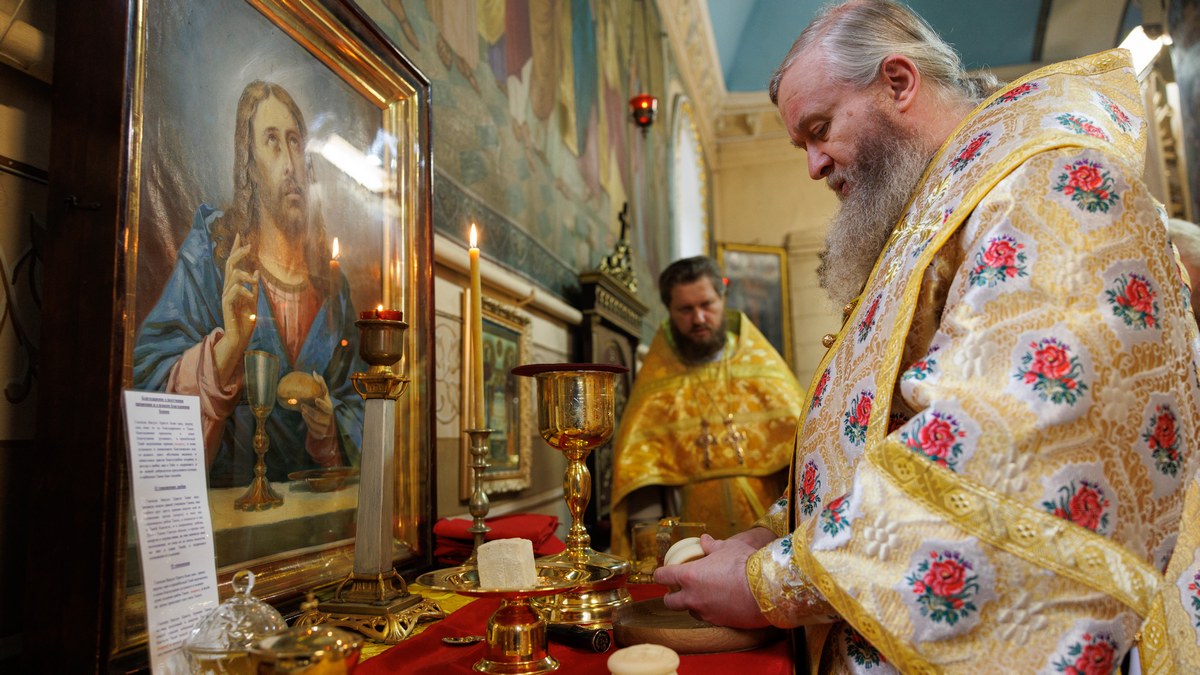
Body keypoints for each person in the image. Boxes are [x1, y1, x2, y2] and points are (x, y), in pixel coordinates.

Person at [653, 1, 1200, 671]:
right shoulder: (944, 206)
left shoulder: (1045, 185)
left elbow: (999, 455)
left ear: (899, 82)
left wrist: (770, 578)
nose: (814, 166)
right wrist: (780, 523)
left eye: (819, 129)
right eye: (803, 145)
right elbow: (887, 420)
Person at [133, 80, 366, 488]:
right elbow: (150, 381)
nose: (290, 163)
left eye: (295, 142)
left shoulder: (333, 289)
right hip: (226, 514)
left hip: (312, 517)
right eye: (272, 142)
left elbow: (359, 404)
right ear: (249, 165)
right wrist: (226, 351)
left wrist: (328, 427)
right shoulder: (213, 255)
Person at [610, 256, 803, 557]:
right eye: (685, 309)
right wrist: (652, 551)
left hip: (766, 537)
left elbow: (800, 453)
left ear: (722, 298)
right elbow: (641, 476)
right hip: (688, 544)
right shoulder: (657, 381)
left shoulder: (762, 366)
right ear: (670, 311)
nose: (698, 318)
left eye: (707, 305)